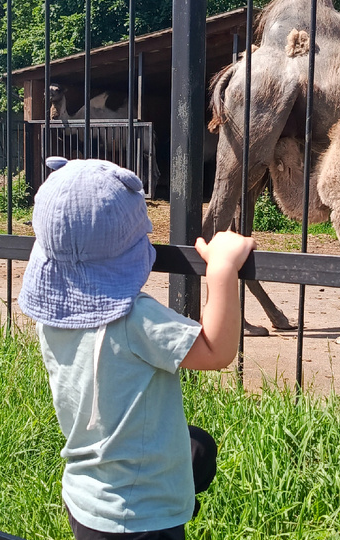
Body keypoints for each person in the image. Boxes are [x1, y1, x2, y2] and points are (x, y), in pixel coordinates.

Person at [18, 158, 255, 539]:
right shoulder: (133, 318)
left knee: (198, 445)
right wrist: (222, 269)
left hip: (85, 496)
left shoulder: (51, 317)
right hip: (142, 514)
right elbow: (216, 351)